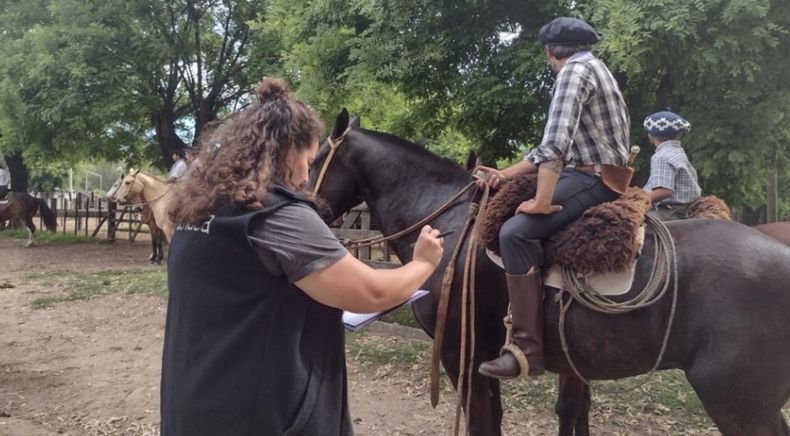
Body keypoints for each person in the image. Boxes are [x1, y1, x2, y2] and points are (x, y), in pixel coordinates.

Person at [161, 78, 445, 436]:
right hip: (263, 416)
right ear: (289, 151)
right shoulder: (275, 214)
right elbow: (372, 292)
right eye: (309, 161)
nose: (307, 175)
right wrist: (423, 263)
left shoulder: (199, 210)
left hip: (194, 405)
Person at [475, 17, 631, 380]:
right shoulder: (595, 67)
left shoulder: (571, 74)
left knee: (515, 232)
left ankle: (526, 348)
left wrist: (542, 201)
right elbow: (544, 150)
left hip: (591, 177)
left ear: (550, 52)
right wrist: (504, 175)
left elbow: (556, 145)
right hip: (597, 171)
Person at [642, 111, 701, 220]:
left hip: (671, 211)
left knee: (634, 224)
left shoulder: (661, 156)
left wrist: (638, 201)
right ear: (679, 135)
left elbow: (665, 191)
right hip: (685, 207)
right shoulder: (677, 151)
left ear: (651, 136)